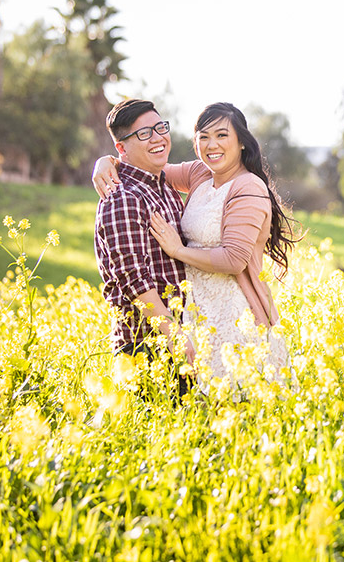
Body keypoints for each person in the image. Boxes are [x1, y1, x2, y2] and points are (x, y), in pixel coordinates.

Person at [93, 102, 297, 391]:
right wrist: (105, 162)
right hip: (167, 332)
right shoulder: (194, 176)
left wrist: (178, 251)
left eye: (222, 135)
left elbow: (235, 259)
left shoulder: (245, 186)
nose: (211, 144)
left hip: (228, 316)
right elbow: (133, 278)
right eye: (203, 136)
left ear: (241, 141)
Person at [94, 98, 195, 398]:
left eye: (160, 127)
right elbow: (134, 282)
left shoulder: (163, 186)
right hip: (147, 347)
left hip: (176, 342)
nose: (158, 138)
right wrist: (175, 338)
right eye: (144, 133)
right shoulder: (123, 197)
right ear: (121, 149)